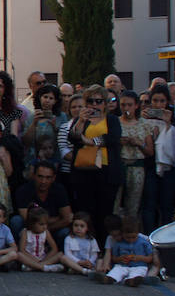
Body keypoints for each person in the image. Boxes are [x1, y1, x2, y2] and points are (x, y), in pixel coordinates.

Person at [67, 85, 122, 248]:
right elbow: (72, 138)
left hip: (106, 172)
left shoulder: (112, 120)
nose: (94, 105)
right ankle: (85, 248)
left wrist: (91, 141)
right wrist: (81, 120)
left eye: (99, 101)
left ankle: (103, 248)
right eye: (90, 101)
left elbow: (113, 138)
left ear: (105, 103)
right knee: (85, 212)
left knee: (104, 213)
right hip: (84, 171)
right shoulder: (81, 120)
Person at [9, 161, 73, 248]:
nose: (43, 181)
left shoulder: (59, 190)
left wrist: (45, 229)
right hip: (29, 231)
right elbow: (27, 219)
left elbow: (67, 219)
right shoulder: (23, 190)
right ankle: (19, 250)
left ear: (54, 178)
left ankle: (55, 252)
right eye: (40, 176)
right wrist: (55, 219)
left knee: (65, 232)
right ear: (34, 176)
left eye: (48, 177)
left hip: (53, 229)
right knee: (16, 221)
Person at [140, 84, 175, 230]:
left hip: (168, 166)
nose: (158, 105)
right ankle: (149, 235)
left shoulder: (174, 116)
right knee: (149, 203)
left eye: (162, 101)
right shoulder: (144, 117)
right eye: (155, 101)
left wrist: (168, 122)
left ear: (167, 102)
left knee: (167, 204)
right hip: (149, 164)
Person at [115, 91, 153, 218]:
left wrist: (138, 143)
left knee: (133, 205)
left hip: (137, 167)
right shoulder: (115, 122)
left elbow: (150, 151)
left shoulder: (144, 124)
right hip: (119, 165)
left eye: (129, 105)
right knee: (115, 204)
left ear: (136, 105)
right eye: (123, 105)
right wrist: (118, 142)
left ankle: (131, 226)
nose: (126, 108)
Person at [92, 216, 152, 286]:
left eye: (133, 237)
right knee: (117, 270)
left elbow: (150, 258)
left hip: (139, 265)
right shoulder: (119, 243)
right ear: (123, 233)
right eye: (127, 237)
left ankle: (131, 281)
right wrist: (120, 258)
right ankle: (109, 278)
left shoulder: (144, 242)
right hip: (122, 265)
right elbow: (114, 258)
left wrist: (140, 258)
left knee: (138, 272)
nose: (131, 240)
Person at [22, 83, 65, 172]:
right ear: (40, 98)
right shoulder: (32, 117)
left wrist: (55, 128)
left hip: (55, 161)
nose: (47, 100)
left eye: (51, 98)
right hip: (35, 161)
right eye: (45, 97)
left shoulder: (61, 117)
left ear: (55, 101)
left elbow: (65, 140)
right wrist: (34, 123)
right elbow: (26, 142)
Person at [16, 208, 64, 272]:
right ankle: (45, 267)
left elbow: (54, 249)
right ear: (32, 224)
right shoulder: (25, 232)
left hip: (43, 258)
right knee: (19, 254)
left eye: (46, 224)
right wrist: (35, 260)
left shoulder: (46, 232)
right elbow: (22, 250)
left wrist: (43, 260)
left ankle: (35, 267)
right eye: (41, 224)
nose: (45, 227)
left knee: (60, 254)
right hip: (29, 258)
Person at [57, 93, 84, 190]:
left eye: (80, 106)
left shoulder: (93, 126)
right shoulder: (64, 127)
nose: (77, 109)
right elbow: (63, 151)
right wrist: (83, 160)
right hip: (68, 172)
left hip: (89, 172)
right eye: (74, 107)